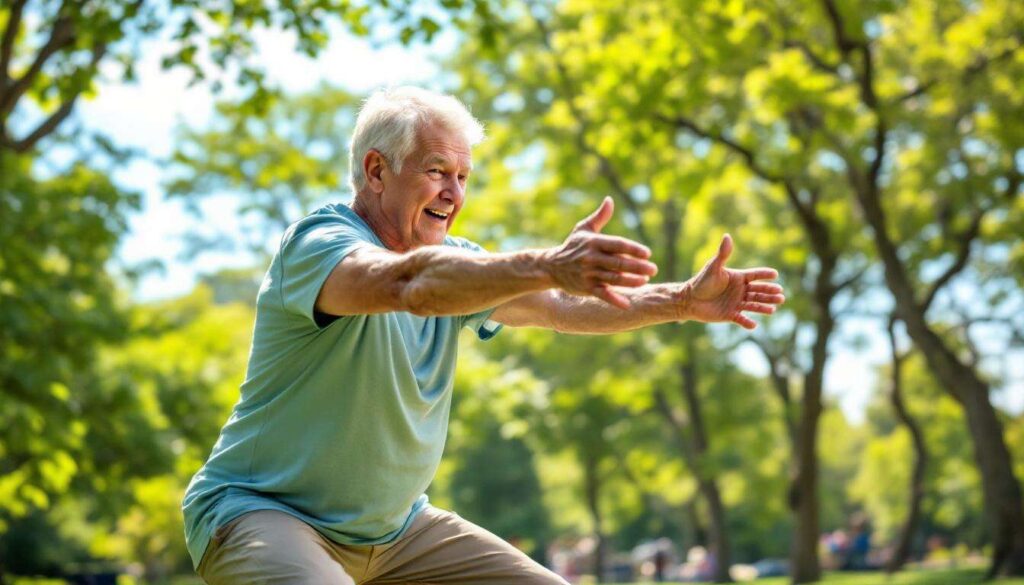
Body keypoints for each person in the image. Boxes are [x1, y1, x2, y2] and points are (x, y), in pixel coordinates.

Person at [182, 86, 785, 584]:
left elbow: (560, 308)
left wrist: (679, 300)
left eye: (464, 176)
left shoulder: (460, 263)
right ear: (376, 171)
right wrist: (548, 261)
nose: (454, 193)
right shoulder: (318, 247)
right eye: (437, 171)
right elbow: (406, 286)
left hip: (396, 532)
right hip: (263, 512)